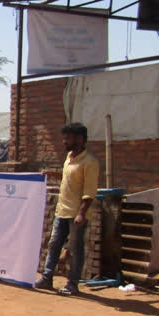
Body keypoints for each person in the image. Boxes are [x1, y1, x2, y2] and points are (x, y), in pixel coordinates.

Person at [35, 123, 99, 296]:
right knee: (54, 244)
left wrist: (81, 214)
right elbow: (67, 177)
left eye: (68, 138)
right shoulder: (69, 158)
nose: (64, 142)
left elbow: (89, 191)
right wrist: (51, 174)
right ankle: (47, 278)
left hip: (77, 214)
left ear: (80, 139)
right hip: (61, 211)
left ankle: (72, 284)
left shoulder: (90, 162)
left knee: (76, 249)